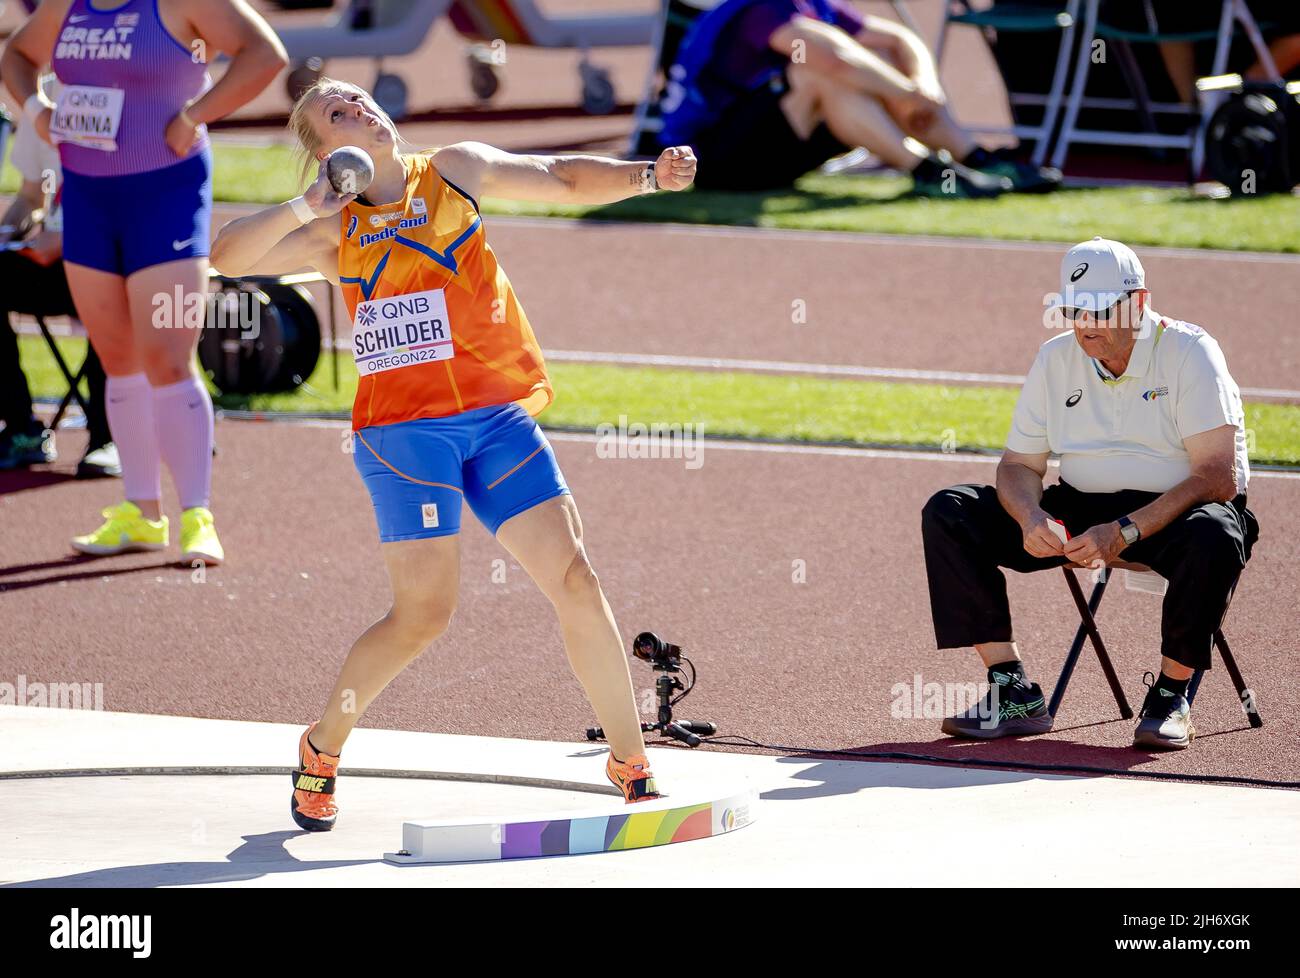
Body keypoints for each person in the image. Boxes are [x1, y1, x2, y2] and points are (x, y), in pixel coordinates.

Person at [210, 78, 698, 827]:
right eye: (336, 113)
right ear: (322, 146)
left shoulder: (455, 170)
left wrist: (645, 176)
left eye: (359, 98)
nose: (359, 109)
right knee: (424, 616)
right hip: (405, 436)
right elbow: (226, 257)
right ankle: (322, 745)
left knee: (573, 576)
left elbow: (563, 176)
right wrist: (310, 203)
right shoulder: (331, 230)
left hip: (495, 420)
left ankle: (630, 760)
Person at [920, 237, 1258, 751]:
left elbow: (1217, 478)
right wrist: (1031, 517)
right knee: (951, 510)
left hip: (1176, 513)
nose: (1085, 323)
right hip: (1079, 506)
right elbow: (1016, 466)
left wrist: (1122, 531)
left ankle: (1171, 695)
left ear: (1138, 303)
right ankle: (1011, 689)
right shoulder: (1055, 359)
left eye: (1099, 309)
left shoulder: (1191, 351)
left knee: (1214, 533)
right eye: (1074, 309)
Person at [1, 0, 287, 563]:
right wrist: (37, 110)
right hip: (87, 196)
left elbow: (265, 56)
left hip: (166, 193)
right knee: (117, 357)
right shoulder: (68, 4)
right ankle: (140, 512)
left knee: (168, 357)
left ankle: (197, 516)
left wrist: (194, 116)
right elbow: (16, 54)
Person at [661, 0, 1060, 196]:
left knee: (879, 58)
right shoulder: (761, 8)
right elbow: (830, 58)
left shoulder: (809, 3)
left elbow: (899, 38)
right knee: (821, 72)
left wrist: (925, 87)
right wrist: (906, 94)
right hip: (715, 162)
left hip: (775, 143)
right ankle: (928, 172)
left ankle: (973, 158)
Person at [0, 89, 118, 477]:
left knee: (109, 287)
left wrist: (70, 234)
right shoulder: (41, 103)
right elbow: (31, 196)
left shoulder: (128, 100)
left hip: (114, 262)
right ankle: (22, 429)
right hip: (51, 266)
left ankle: (108, 437)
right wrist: (7, 233)